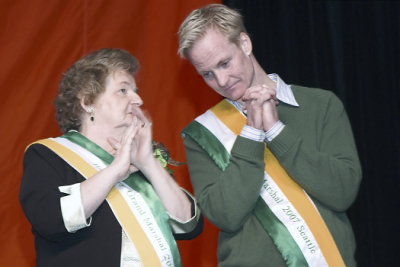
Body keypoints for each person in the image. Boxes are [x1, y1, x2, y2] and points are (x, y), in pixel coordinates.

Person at [178, 4, 361, 267]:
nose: (221, 80)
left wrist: (277, 132)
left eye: (225, 63)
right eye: (207, 74)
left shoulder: (321, 105)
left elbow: (343, 192)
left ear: (244, 43)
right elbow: (226, 215)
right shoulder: (202, 133)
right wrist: (251, 133)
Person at [20, 48, 202, 267]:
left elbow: (188, 225)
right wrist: (115, 171)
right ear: (87, 101)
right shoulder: (49, 154)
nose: (138, 99)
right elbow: (51, 220)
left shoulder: (140, 163)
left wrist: (149, 163)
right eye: (123, 90)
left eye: (136, 91)